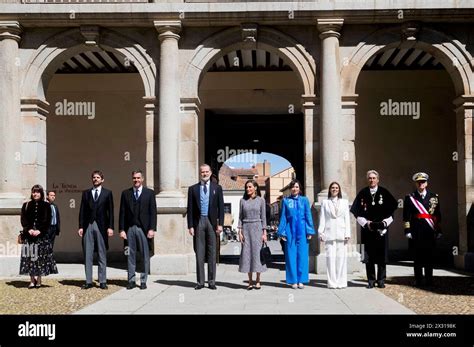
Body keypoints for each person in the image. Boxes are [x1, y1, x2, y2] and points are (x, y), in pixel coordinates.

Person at [350, 170, 397, 289]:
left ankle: (381, 279)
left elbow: (392, 212)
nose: (372, 180)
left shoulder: (384, 192)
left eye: (374, 178)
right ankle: (370, 280)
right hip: (368, 230)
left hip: (382, 230)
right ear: (368, 180)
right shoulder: (363, 193)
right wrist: (366, 224)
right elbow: (356, 212)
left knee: (382, 255)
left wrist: (384, 223)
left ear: (378, 180)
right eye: (370, 178)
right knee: (368, 256)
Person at [187, 164, 224, 290]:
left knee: (212, 252)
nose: (204, 173)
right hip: (198, 222)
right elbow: (190, 208)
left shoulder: (217, 188)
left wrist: (220, 224)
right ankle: (200, 282)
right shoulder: (193, 189)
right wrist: (190, 225)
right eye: (202, 172)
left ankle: (212, 281)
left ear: (210, 172)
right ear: (200, 173)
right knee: (199, 253)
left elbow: (221, 208)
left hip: (212, 223)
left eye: (207, 171)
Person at [119, 170, 157, 290]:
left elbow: (153, 213)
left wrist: (152, 228)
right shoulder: (126, 193)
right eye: (134, 178)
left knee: (145, 255)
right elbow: (122, 213)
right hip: (130, 228)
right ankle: (131, 280)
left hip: (144, 229)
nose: (136, 180)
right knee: (130, 254)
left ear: (142, 179)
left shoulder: (149, 193)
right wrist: (121, 229)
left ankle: (143, 280)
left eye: (138, 178)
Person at [403, 172, 441, 287]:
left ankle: (429, 280)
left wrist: (439, 230)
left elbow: (438, 215)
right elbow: (406, 216)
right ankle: (418, 280)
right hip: (416, 231)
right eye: (419, 182)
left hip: (429, 231)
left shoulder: (434, 197)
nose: (421, 184)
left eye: (423, 182)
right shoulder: (410, 198)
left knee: (429, 257)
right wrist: (407, 231)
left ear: (426, 183)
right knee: (418, 258)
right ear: (416, 183)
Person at [78, 170, 114, 290]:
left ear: (102, 180)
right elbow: (82, 210)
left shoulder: (108, 193)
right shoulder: (86, 193)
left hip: (102, 226)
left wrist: (110, 227)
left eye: (98, 177)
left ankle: (102, 280)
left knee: (102, 254)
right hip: (88, 225)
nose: (95, 179)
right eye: (94, 177)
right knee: (88, 254)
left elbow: (111, 212)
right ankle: (88, 281)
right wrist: (81, 226)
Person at [277, 179, 315, 289]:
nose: (295, 189)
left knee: (302, 256)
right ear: (290, 189)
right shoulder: (285, 201)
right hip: (290, 230)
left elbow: (308, 216)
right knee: (290, 255)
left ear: (300, 189)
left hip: (302, 231)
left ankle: (301, 280)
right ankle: (293, 280)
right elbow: (283, 217)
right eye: (293, 187)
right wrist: (282, 232)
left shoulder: (304, 200)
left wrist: (309, 231)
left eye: (297, 187)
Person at [19, 184, 58, 288]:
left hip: (41, 236)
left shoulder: (46, 206)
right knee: (30, 258)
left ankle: (39, 279)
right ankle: (32, 280)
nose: (35, 194)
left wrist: (40, 230)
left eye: (37, 192)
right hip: (29, 236)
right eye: (33, 192)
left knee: (40, 259)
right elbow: (23, 220)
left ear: (41, 193)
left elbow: (48, 221)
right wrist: (29, 229)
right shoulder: (26, 205)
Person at [318, 182, 351, 289]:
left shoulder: (344, 202)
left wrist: (347, 233)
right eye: (332, 188)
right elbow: (322, 218)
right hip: (329, 233)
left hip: (342, 234)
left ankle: (341, 282)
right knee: (330, 259)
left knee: (341, 259)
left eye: (336, 188)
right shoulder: (325, 202)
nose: (334, 189)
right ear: (330, 190)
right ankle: (332, 282)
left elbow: (347, 219)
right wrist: (320, 232)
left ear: (339, 190)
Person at [238, 180, 267, 290]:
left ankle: (258, 280)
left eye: (250, 187)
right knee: (247, 255)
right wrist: (240, 232)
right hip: (246, 228)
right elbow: (240, 217)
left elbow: (264, 217)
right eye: (246, 187)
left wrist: (264, 233)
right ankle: (250, 282)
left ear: (255, 187)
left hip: (258, 228)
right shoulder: (242, 201)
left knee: (257, 255)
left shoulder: (261, 200)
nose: (248, 189)